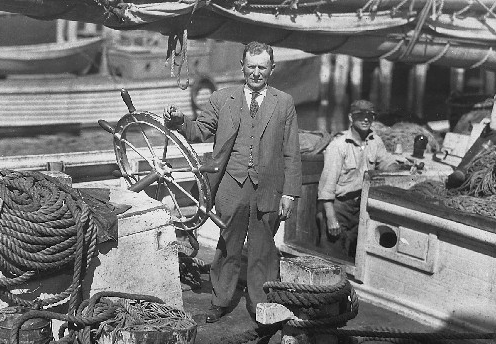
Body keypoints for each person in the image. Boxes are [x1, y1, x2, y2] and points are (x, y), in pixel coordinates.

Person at [163, 41, 302, 323]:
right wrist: (179, 121)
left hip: (269, 189)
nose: (256, 72)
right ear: (242, 67)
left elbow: (292, 152)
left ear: (272, 69)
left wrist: (290, 194)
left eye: (262, 67)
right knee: (228, 245)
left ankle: (259, 304)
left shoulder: (284, 102)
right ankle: (220, 300)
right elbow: (200, 131)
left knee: (263, 247)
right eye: (251, 66)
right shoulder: (221, 99)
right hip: (231, 186)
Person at [317, 100, 400, 258]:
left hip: (361, 207)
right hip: (339, 207)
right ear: (350, 117)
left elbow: (387, 162)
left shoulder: (375, 141)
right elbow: (326, 188)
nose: (365, 119)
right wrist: (331, 218)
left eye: (370, 116)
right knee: (331, 256)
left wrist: (398, 170)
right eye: (360, 115)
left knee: (355, 256)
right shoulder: (338, 146)